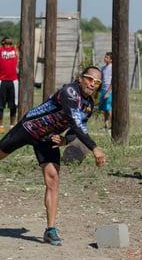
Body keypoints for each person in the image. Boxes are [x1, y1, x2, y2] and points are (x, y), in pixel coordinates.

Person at [0, 65, 106, 246]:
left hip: (48, 139)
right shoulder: (69, 92)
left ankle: (50, 229)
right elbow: (74, 121)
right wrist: (94, 148)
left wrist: (65, 141)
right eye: (89, 78)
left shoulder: (88, 105)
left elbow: (77, 128)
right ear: (80, 78)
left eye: (97, 82)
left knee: (53, 179)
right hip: (29, 127)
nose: (92, 84)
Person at [0, 37, 19, 133]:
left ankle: (12, 126)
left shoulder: (15, 50)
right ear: (3, 42)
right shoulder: (0, 50)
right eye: (5, 42)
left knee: (13, 105)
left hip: (13, 81)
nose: (7, 44)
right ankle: (1, 126)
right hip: (2, 81)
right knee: (0, 105)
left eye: (9, 42)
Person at [99, 52, 112, 130]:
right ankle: (106, 125)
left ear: (111, 60)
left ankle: (113, 125)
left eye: (107, 57)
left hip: (109, 90)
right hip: (103, 90)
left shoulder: (112, 68)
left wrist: (109, 91)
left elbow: (113, 80)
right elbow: (102, 79)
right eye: (105, 57)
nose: (105, 58)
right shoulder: (103, 68)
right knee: (104, 109)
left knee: (109, 108)